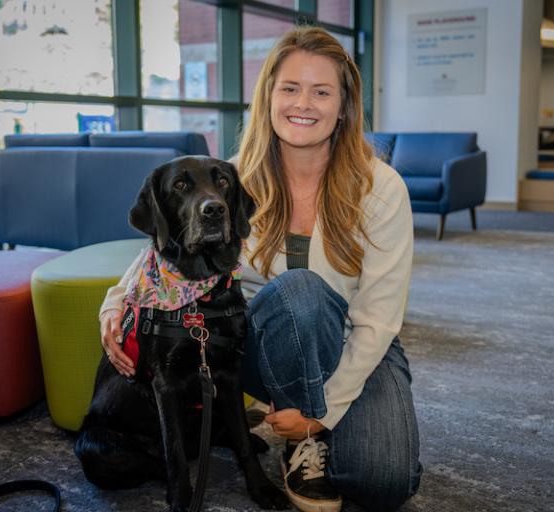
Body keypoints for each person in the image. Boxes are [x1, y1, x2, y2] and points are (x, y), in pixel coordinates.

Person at [100, 26, 422, 512]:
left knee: (384, 482)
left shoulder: (382, 187)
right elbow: (162, 252)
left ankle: (308, 425)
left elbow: (378, 320)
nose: (304, 103)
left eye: (321, 91)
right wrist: (114, 304)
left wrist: (324, 412)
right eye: (290, 88)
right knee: (298, 292)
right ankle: (300, 446)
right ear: (268, 95)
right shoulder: (230, 179)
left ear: (344, 104)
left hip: (355, 343)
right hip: (266, 349)